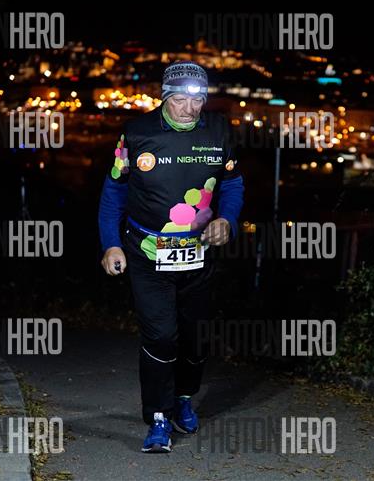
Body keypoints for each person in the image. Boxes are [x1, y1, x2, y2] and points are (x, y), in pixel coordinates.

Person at [97, 61, 244, 453]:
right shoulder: (138, 133)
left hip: (199, 255)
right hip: (148, 254)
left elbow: (232, 183)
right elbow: (114, 191)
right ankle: (158, 417)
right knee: (161, 335)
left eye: (198, 100)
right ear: (164, 97)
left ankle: (183, 399)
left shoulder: (219, 131)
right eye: (180, 99)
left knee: (195, 337)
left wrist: (227, 220)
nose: (189, 109)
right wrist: (111, 243)